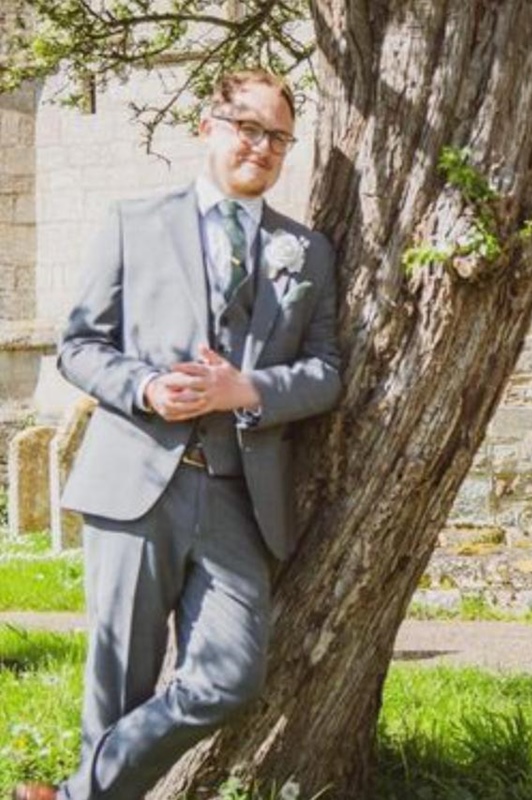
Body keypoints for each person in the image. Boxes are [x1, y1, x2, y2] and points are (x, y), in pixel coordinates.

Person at [11, 70, 341, 800]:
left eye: (278, 136)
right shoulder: (135, 220)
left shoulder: (307, 252)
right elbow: (79, 346)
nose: (262, 145)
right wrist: (147, 387)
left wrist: (247, 389)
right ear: (210, 126)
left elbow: (326, 372)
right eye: (247, 127)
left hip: (238, 498)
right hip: (134, 480)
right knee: (117, 685)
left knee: (232, 675)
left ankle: (72, 797)